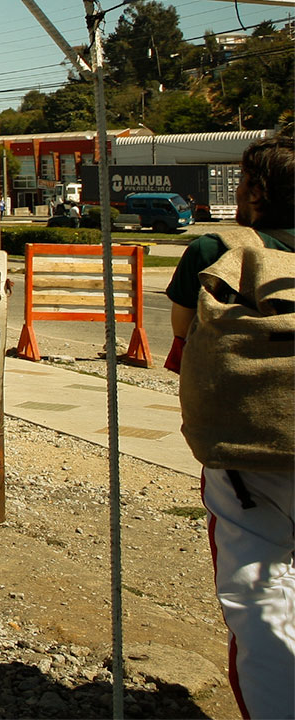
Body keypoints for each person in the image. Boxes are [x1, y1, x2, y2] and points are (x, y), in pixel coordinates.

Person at [166, 134, 294, 719]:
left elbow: (181, 330)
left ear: (258, 192)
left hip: (251, 454)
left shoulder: (217, 249)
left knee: (260, 599)